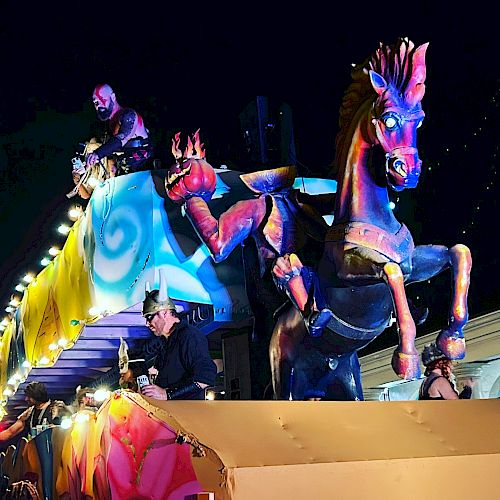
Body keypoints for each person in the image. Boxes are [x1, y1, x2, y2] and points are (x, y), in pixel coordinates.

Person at [138, 276, 217, 400]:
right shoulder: (166, 343)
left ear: (164, 312)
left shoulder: (189, 336)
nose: (147, 323)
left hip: (187, 416)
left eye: (149, 317)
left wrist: (168, 394)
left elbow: (205, 377)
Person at [86, 83, 153, 176]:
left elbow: (120, 139)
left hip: (143, 164)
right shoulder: (110, 122)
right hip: (126, 163)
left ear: (113, 97)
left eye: (103, 100)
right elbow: (113, 147)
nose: (99, 106)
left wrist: (97, 154)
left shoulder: (128, 115)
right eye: (96, 102)